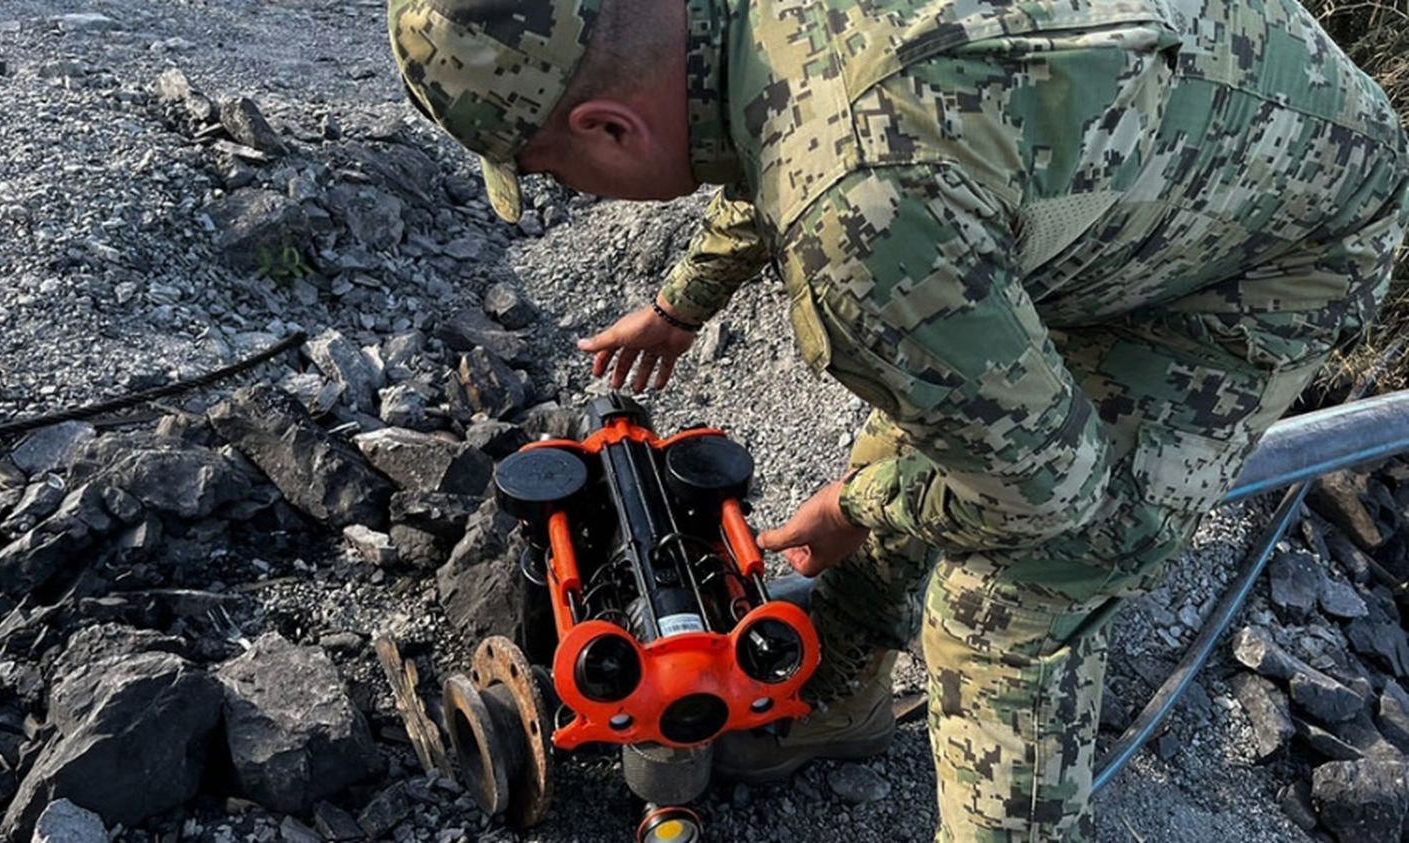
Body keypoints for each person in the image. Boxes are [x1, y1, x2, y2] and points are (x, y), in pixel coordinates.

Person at [388, 0, 1408, 837]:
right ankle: (829, 698)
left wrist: (869, 506)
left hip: (1282, 236)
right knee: (931, 420)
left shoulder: (862, 223)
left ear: (610, 128)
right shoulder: (739, 29)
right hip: (1177, 129)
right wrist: (683, 298)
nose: (566, 186)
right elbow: (787, 119)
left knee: (1010, 594)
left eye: (552, 172)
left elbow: (1056, 495)